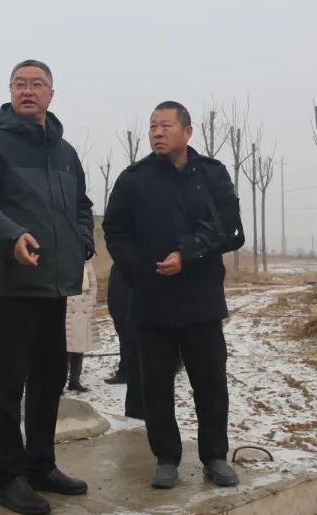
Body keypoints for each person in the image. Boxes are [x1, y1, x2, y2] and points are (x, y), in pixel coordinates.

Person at [0, 59, 94, 515]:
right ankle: (9, 477)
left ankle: (41, 464)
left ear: (51, 93)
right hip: (13, 288)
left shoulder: (65, 152)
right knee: (7, 385)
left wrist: (82, 242)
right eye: (20, 84)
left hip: (56, 287)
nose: (28, 90)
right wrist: (11, 236)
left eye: (37, 84)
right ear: (10, 91)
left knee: (49, 379)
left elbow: (81, 205)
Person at [103, 101, 245, 491]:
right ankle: (166, 457)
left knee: (210, 380)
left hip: (201, 297)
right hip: (152, 298)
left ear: (187, 131)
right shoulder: (134, 179)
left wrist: (187, 253)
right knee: (156, 384)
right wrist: (136, 271)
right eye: (153, 127)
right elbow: (115, 230)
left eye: (166, 126)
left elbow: (228, 223)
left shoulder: (212, 175)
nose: (157, 133)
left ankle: (214, 455)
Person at [106, 263, 144, 419]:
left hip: (133, 316)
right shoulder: (118, 267)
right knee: (126, 344)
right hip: (122, 315)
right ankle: (123, 372)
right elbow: (113, 296)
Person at [65, 261, 99, 393]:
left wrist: (91, 303)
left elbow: (93, 284)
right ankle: (59, 382)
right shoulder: (63, 259)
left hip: (83, 307)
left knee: (79, 348)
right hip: (68, 307)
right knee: (65, 349)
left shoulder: (86, 263)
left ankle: (74, 380)